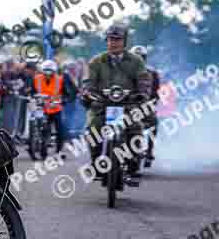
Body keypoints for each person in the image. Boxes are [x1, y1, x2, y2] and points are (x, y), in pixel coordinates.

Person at [84, 24, 150, 179]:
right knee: (93, 128)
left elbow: (143, 80)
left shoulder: (136, 61)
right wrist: (88, 93)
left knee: (136, 128)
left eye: (117, 39)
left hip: (128, 104)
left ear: (124, 41)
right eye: (110, 39)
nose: (113, 43)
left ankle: (134, 161)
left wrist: (142, 94)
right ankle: (95, 163)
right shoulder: (96, 62)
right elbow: (88, 82)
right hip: (102, 105)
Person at [32, 60, 68, 158]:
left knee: (60, 130)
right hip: (42, 108)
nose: (48, 74)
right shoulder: (36, 79)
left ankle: (59, 151)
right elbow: (32, 91)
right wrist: (32, 97)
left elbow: (66, 93)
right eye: (46, 71)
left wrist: (63, 100)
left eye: (50, 71)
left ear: (54, 71)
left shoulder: (59, 79)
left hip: (56, 108)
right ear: (42, 71)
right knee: (42, 129)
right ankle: (39, 147)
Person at [130, 45, 159, 167]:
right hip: (124, 104)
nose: (138, 59)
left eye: (141, 57)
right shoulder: (123, 71)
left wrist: (151, 103)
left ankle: (149, 152)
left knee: (153, 122)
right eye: (136, 57)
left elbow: (155, 91)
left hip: (143, 105)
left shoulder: (152, 72)